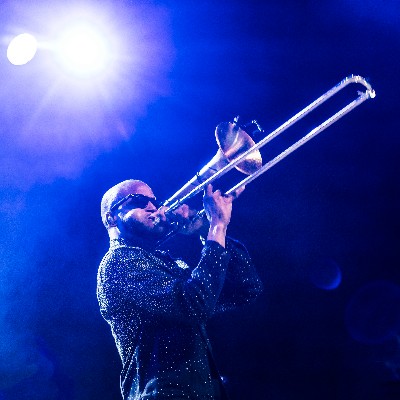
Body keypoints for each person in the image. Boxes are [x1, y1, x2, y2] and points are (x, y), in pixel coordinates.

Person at [97, 179, 263, 399]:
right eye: (138, 201)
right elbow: (194, 305)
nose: (152, 207)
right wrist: (217, 225)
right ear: (111, 218)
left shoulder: (165, 263)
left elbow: (246, 288)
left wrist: (205, 229)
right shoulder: (119, 261)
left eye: (154, 202)